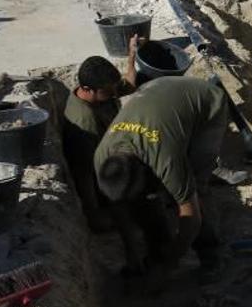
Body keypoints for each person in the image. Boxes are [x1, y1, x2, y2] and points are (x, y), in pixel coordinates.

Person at [94, 76, 229, 278]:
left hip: (206, 103)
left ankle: (211, 255)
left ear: (148, 171)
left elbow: (191, 215)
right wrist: (131, 252)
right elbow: (118, 207)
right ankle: (158, 248)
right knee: (145, 201)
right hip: (155, 93)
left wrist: (170, 265)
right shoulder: (102, 158)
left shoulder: (165, 158)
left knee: (195, 187)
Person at [62, 40, 140, 231]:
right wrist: (93, 215)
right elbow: (84, 175)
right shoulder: (84, 124)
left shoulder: (101, 92)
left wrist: (132, 55)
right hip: (105, 175)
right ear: (87, 89)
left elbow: (128, 85)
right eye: (109, 91)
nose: (115, 93)